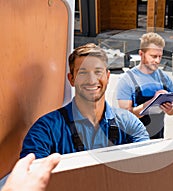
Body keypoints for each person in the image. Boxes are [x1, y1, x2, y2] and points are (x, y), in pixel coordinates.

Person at [20, 43, 149, 159]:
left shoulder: (130, 124)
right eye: (83, 73)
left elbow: (146, 164)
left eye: (98, 72)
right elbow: (31, 177)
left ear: (108, 77)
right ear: (71, 79)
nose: (92, 80)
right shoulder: (45, 130)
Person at [116, 32, 173, 139]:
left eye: (160, 56)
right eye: (153, 56)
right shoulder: (127, 80)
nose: (157, 61)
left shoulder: (165, 78)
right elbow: (125, 115)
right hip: (134, 140)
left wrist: (170, 109)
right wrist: (152, 102)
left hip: (158, 139)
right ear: (141, 54)